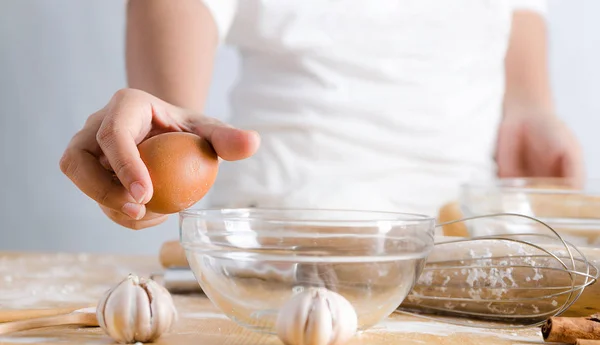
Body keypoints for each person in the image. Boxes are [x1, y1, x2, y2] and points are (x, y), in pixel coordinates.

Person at [60, 0, 583, 230]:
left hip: (465, 246)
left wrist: (532, 112)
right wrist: (165, 132)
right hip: (284, 255)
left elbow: (515, 18)